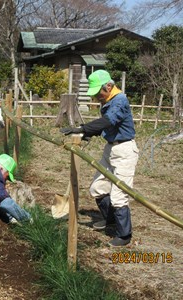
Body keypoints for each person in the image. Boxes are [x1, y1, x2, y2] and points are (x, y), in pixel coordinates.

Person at [60, 69, 139, 247]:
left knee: (119, 196)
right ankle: (111, 221)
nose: (97, 97)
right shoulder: (109, 101)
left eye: (98, 93)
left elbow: (109, 121)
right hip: (110, 148)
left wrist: (83, 128)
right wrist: (88, 134)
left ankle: (124, 235)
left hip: (125, 151)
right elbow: (107, 127)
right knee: (98, 188)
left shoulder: (119, 101)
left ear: (109, 86)